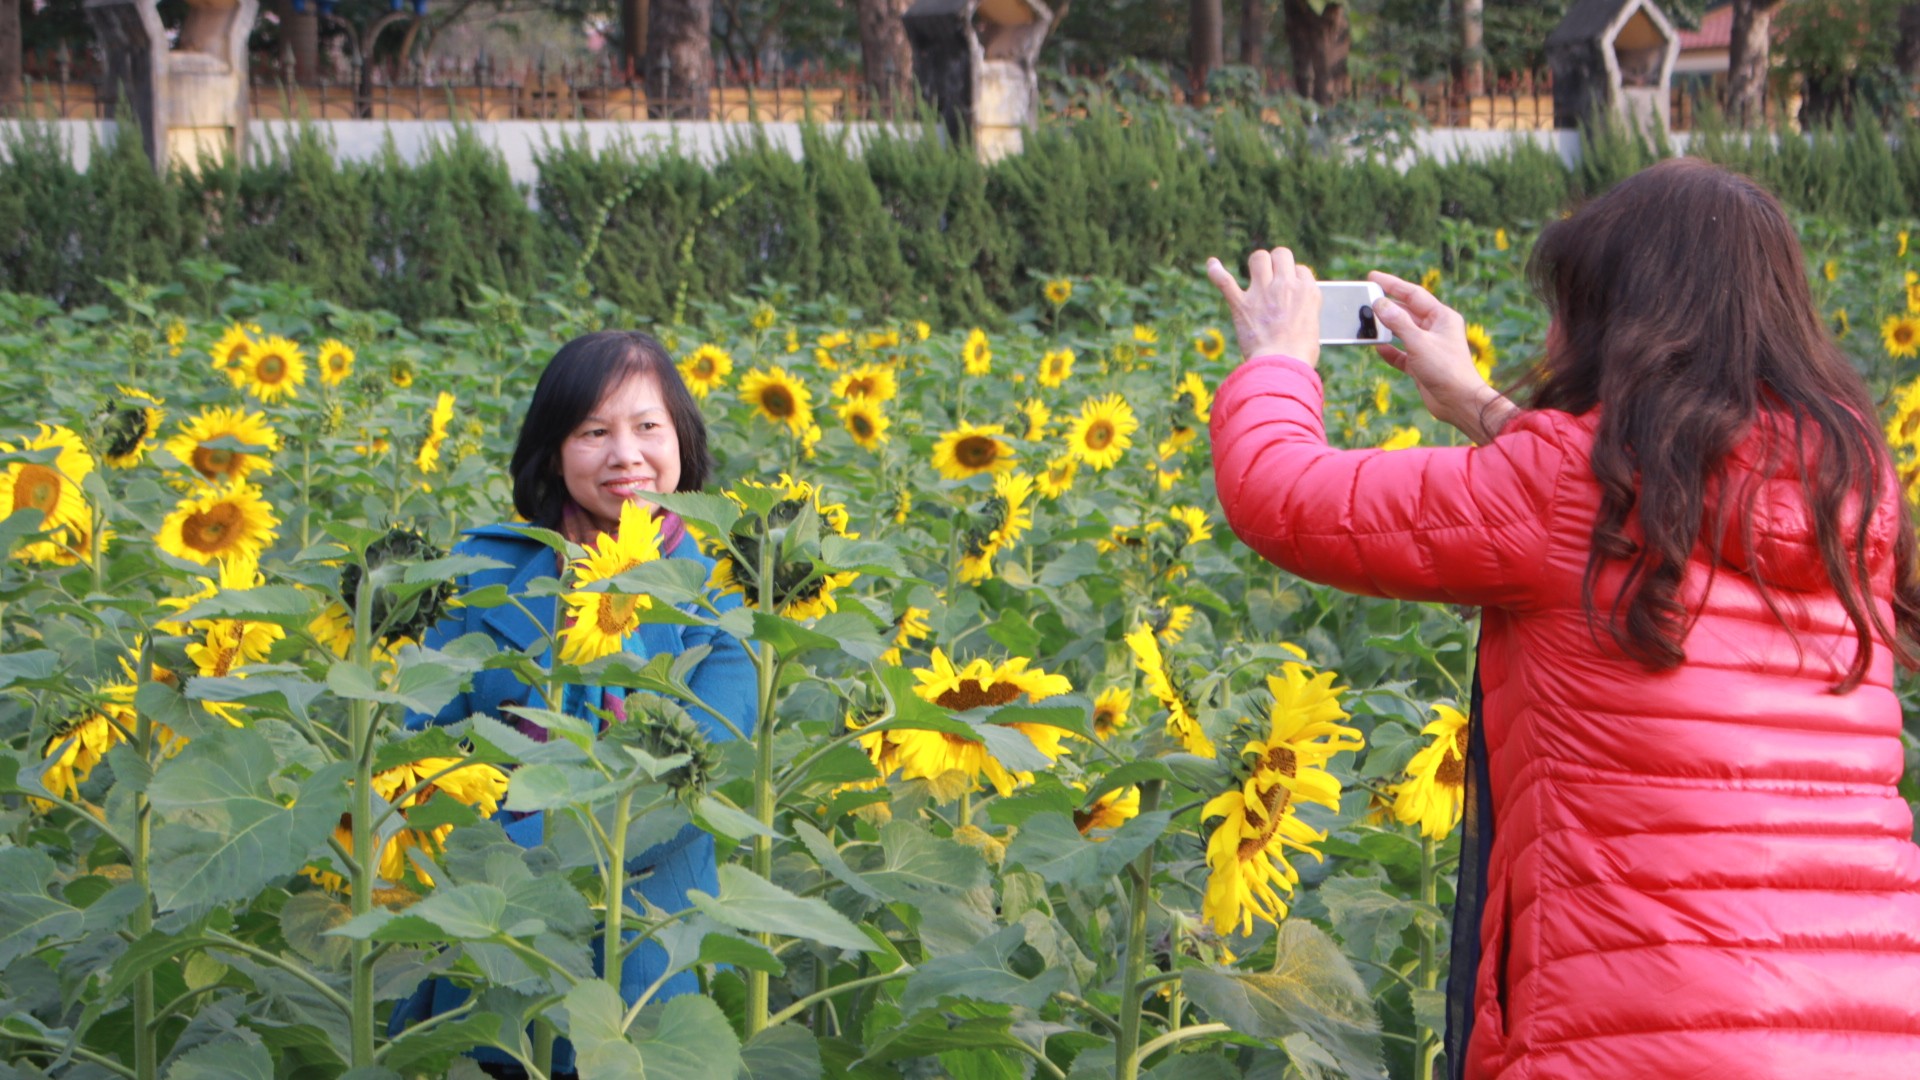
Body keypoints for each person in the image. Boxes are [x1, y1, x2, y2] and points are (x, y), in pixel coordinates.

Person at [1205, 159, 1920, 1079]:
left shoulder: (1557, 493)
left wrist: (1275, 359)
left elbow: (1285, 496)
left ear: (1615, 322)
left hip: (1638, 1035)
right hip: (1868, 1033)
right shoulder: (1845, 499)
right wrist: (1477, 404)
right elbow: (1638, 501)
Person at [388, 331, 757, 1074]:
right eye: (594, 431)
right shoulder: (481, 570)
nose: (626, 455)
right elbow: (413, 748)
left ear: (681, 440)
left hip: (638, 963)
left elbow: (687, 782)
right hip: (489, 947)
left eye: (648, 427)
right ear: (554, 450)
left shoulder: (723, 599)